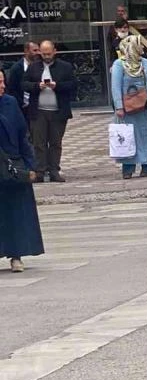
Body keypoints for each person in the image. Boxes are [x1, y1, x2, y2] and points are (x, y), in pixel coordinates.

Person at [0, 69, 44, 272]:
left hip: (13, 164)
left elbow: (22, 135)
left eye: (2, 82)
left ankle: (16, 256)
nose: (2, 86)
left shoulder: (10, 103)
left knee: (16, 214)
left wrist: (31, 165)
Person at [23, 40, 76, 183]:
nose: (46, 56)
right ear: (39, 52)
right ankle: (40, 171)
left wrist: (56, 86)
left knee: (55, 142)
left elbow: (72, 85)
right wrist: (37, 86)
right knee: (38, 143)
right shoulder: (33, 67)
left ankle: (54, 170)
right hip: (38, 110)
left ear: (54, 51)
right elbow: (24, 84)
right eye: (43, 53)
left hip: (58, 111)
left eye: (48, 53)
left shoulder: (65, 67)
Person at [111, 34, 147, 179]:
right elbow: (115, 87)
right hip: (128, 109)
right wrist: (119, 107)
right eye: (139, 45)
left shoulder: (144, 62)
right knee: (128, 137)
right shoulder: (119, 64)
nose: (142, 48)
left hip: (146, 106)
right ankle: (128, 169)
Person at [5, 40, 40, 126]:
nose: (38, 53)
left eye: (38, 50)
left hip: (38, 107)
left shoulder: (40, 66)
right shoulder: (17, 68)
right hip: (23, 107)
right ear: (26, 51)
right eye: (34, 50)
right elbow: (12, 88)